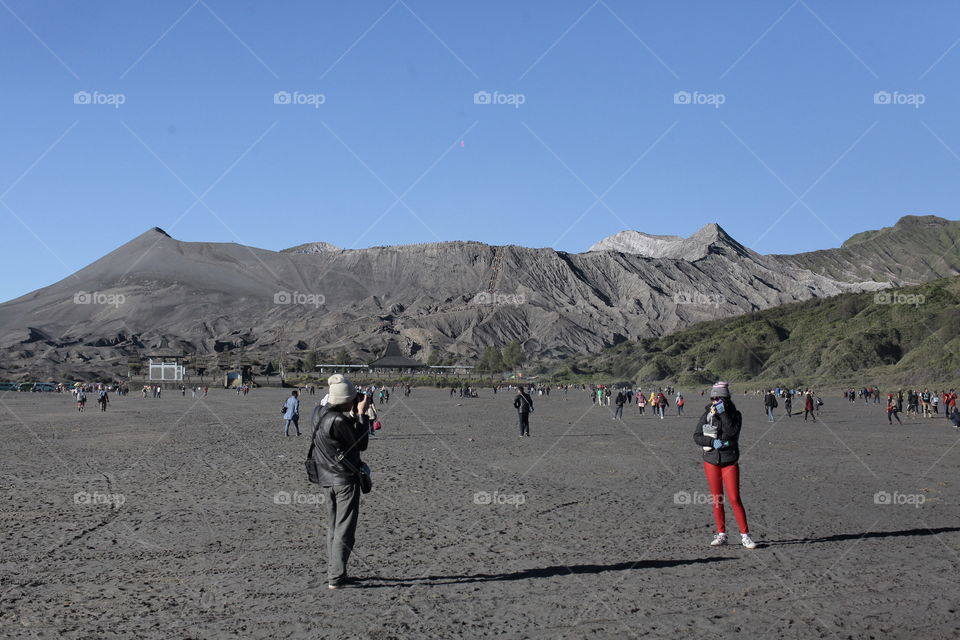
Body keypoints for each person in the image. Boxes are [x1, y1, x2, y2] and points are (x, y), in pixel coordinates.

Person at [309, 375, 370, 589]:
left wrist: (352, 411)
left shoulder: (318, 412)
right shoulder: (338, 420)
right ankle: (335, 576)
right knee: (344, 529)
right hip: (343, 480)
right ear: (346, 400)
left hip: (325, 478)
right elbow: (361, 444)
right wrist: (361, 414)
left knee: (334, 527)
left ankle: (335, 570)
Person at [693, 381, 756, 549]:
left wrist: (723, 414)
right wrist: (712, 442)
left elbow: (732, 432)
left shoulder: (735, 415)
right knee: (717, 499)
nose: (715, 402)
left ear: (726, 400)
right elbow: (697, 436)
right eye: (714, 398)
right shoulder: (707, 413)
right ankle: (722, 534)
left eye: (719, 399)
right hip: (711, 460)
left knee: (734, 498)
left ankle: (745, 536)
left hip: (730, 461)